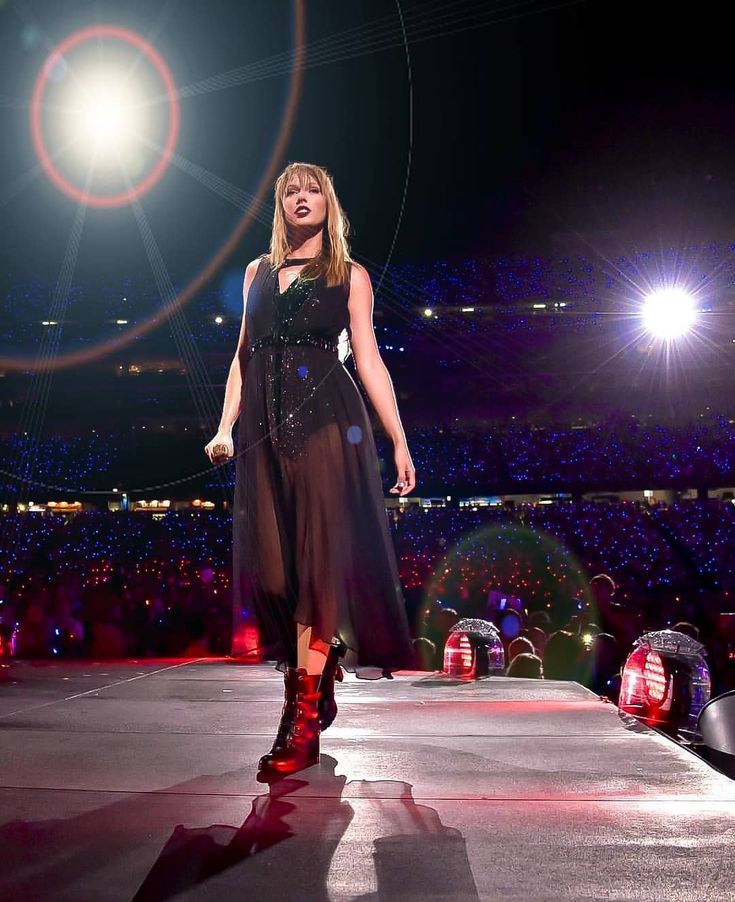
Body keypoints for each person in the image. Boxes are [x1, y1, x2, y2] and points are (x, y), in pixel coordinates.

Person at [205, 161, 418, 780]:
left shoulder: (349, 276)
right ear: (280, 207)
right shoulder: (258, 273)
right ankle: (322, 669)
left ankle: (299, 722)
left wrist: (398, 439)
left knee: (318, 572)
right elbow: (243, 356)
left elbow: (371, 360)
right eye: (290, 191)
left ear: (330, 202)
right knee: (273, 577)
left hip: (327, 424)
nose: (301, 198)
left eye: (312, 189)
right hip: (264, 432)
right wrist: (225, 426)